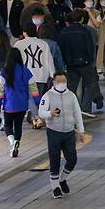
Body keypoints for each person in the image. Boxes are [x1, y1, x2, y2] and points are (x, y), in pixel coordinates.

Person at [38, 71, 85, 199]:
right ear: (54, 82)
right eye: (59, 81)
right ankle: (55, 187)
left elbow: (77, 113)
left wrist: (81, 130)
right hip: (54, 132)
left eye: (64, 81)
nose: (61, 84)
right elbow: (41, 112)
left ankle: (63, 179)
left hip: (69, 132)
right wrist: (50, 113)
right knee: (54, 159)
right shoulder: (48, 96)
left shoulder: (71, 96)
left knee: (72, 159)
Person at [0, 48, 40, 157]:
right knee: (18, 126)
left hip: (9, 105)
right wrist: (38, 101)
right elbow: (33, 88)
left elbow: (0, 90)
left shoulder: (4, 72)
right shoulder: (25, 71)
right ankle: (17, 142)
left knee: (7, 126)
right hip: (22, 105)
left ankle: (12, 142)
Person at [58, 11, 97, 115]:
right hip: (85, 62)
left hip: (70, 64)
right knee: (90, 83)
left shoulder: (64, 31)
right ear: (81, 19)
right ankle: (85, 107)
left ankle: (71, 108)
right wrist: (90, 60)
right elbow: (90, 48)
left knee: (71, 86)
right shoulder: (85, 31)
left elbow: (61, 48)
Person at [14, 23, 55, 97]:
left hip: (24, 78)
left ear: (24, 32)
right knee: (38, 102)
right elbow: (49, 62)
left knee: (27, 102)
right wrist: (53, 76)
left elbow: (14, 61)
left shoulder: (18, 44)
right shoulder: (44, 44)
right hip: (41, 77)